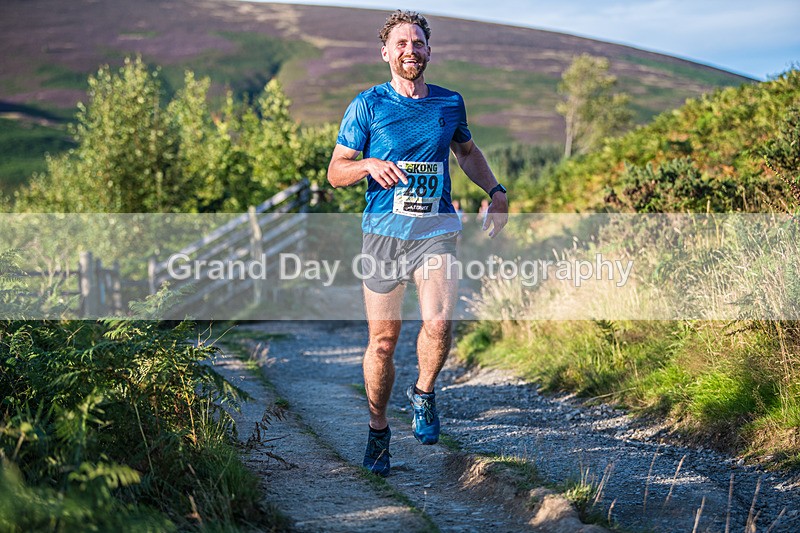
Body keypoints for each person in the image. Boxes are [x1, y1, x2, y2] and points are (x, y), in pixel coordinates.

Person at [327, 9, 508, 477]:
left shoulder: (449, 102)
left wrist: (496, 192)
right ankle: (378, 430)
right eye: (402, 44)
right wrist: (367, 165)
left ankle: (424, 392)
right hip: (383, 236)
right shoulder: (367, 105)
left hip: (436, 231)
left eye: (418, 43)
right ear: (385, 52)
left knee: (440, 322)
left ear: (429, 50)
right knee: (383, 343)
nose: (411, 50)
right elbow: (336, 171)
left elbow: (467, 152)